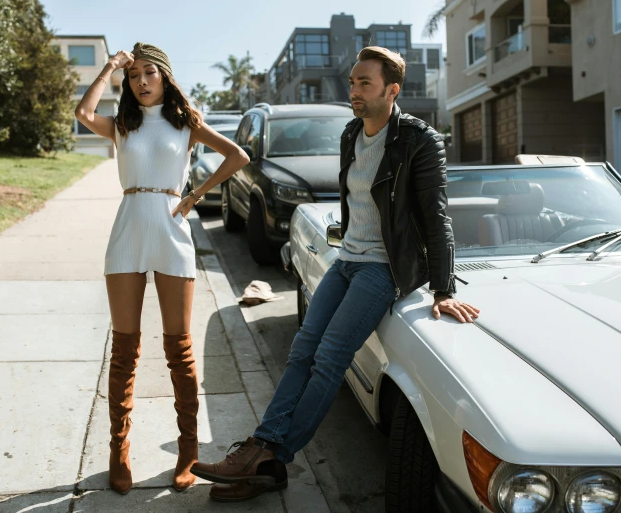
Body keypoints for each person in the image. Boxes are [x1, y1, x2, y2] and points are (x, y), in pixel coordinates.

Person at [191, 46, 480, 502]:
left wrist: (443, 287)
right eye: (352, 82)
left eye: (365, 83)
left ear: (392, 90)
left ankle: (272, 454)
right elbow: (357, 202)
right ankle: (264, 451)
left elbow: (436, 216)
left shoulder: (418, 140)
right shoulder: (351, 134)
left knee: (329, 359)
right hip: (347, 259)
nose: (354, 91)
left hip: (384, 269)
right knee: (302, 348)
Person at [74, 43, 249, 495]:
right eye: (134, 77)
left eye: (149, 73)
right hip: (127, 232)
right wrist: (111, 66)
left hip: (172, 235)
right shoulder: (122, 125)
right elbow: (82, 111)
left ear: (165, 77)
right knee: (125, 349)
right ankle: (119, 451)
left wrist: (193, 195)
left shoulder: (185, 123)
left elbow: (237, 156)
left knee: (179, 347)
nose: (141, 81)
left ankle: (188, 450)